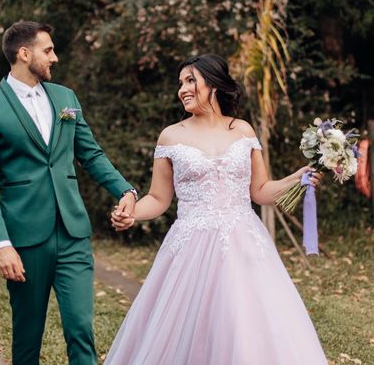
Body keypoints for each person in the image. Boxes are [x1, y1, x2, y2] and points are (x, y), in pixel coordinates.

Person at [107, 54, 328, 364]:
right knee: (188, 327)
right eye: (180, 83)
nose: (182, 89)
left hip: (244, 245)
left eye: (190, 81)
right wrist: (131, 214)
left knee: (246, 325)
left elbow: (261, 192)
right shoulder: (171, 136)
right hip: (190, 248)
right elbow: (158, 199)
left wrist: (296, 178)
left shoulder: (243, 131)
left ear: (212, 84)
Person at [0, 21, 137, 365]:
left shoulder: (65, 98)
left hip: (73, 233)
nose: (54, 58)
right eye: (48, 50)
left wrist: (126, 190)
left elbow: (90, 153)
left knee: (81, 331)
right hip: (25, 239)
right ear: (24, 53)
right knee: (28, 338)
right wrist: (1, 245)